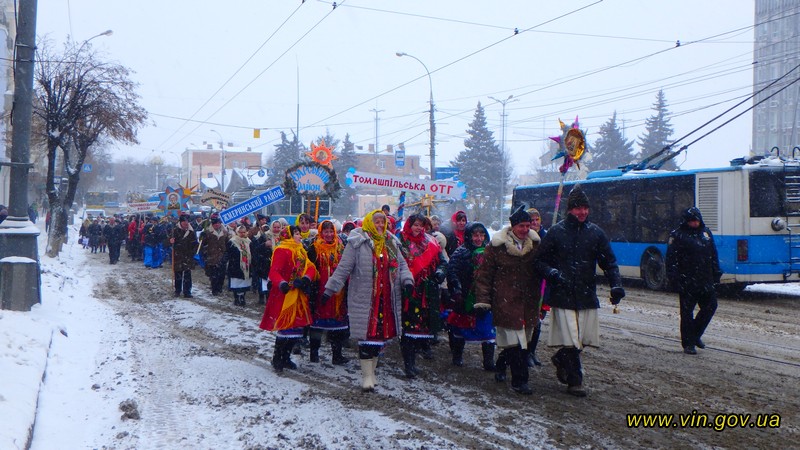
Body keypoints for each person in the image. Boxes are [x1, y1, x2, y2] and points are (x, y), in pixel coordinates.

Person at [535, 185, 625, 398]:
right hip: (563, 293)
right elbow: (539, 261)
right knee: (572, 340)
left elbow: (609, 262)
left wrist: (616, 284)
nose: (582, 212)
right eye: (578, 208)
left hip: (586, 294)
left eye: (585, 208)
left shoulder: (596, 233)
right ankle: (575, 381)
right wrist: (552, 273)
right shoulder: (556, 232)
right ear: (569, 210)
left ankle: (560, 357)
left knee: (582, 339)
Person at [322, 210, 414, 392]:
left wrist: (407, 280)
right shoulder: (358, 242)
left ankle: (372, 373)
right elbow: (344, 268)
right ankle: (366, 376)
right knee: (366, 336)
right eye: (376, 222)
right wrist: (330, 289)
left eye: (382, 222)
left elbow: (402, 265)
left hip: (387, 298)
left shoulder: (391, 243)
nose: (380, 225)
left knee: (379, 337)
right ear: (369, 223)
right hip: (365, 298)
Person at [474, 206, 541, 395]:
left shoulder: (535, 245)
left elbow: (542, 267)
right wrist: (483, 300)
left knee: (522, 342)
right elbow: (485, 275)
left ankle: (502, 363)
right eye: (522, 226)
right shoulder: (497, 247)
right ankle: (520, 381)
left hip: (527, 302)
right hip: (505, 300)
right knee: (515, 344)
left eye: (528, 225)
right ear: (513, 227)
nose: (525, 229)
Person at [666, 206, 722, 355]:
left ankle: (695, 335)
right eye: (692, 221)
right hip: (687, 281)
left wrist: (716, 272)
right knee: (686, 313)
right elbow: (671, 260)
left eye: (697, 221)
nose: (695, 224)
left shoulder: (706, 233)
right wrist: (675, 279)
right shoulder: (677, 235)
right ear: (686, 222)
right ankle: (688, 343)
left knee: (711, 307)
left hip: (705, 280)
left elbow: (713, 254)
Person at [396, 213, 447, 378]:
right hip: (408, 291)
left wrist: (440, 272)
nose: (419, 228)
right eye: (416, 224)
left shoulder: (431, 242)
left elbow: (443, 262)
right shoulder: (400, 241)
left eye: (421, 225)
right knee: (409, 328)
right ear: (409, 225)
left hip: (427, 291)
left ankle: (414, 361)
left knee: (422, 328)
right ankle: (408, 364)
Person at [259, 226, 316, 372]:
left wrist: (305, 279)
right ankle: (277, 358)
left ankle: (286, 357)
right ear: (289, 236)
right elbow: (274, 271)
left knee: (295, 328)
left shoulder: (300, 250)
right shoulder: (281, 249)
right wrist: (282, 283)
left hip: (298, 294)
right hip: (284, 295)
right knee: (285, 327)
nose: (299, 236)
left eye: (298, 233)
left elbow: (310, 267)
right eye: (296, 234)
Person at [445, 221, 496, 371]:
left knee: (487, 330)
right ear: (469, 236)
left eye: (481, 235)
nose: (479, 238)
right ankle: (457, 356)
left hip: (484, 297)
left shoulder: (489, 252)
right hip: (465, 296)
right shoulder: (460, 252)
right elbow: (452, 272)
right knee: (460, 329)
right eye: (475, 235)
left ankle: (488, 361)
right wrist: (457, 290)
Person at [306, 220, 350, 365]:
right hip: (319, 292)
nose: (329, 234)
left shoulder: (341, 247)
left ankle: (337, 355)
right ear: (321, 232)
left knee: (337, 325)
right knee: (317, 324)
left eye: (331, 231)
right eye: (326, 232)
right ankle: (314, 352)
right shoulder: (314, 248)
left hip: (338, 293)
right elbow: (309, 268)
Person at [527, 207, 548, 367]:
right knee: (527, 321)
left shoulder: (545, 236)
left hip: (542, 282)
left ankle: (532, 350)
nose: (535, 223)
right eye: (532, 220)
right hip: (528, 282)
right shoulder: (524, 236)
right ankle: (525, 351)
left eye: (537, 220)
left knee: (538, 320)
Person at [199, 213, 230, 296]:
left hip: (222, 256)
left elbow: (227, 243)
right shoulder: (208, 232)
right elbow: (202, 244)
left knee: (221, 274)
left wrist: (226, 254)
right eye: (215, 223)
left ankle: (220, 287)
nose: (217, 225)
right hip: (211, 256)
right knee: (213, 275)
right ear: (212, 224)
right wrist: (202, 237)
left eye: (218, 223)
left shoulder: (225, 232)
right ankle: (214, 289)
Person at [225, 225, 253, 306]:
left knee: (244, 282)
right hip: (236, 265)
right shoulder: (232, 242)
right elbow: (229, 253)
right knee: (236, 283)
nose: (242, 234)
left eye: (244, 232)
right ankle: (236, 298)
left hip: (246, 265)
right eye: (240, 232)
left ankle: (243, 297)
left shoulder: (248, 241)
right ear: (237, 232)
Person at [171, 215, 198, 298]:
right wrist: (170, 241)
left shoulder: (191, 232)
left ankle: (187, 291)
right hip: (178, 255)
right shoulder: (174, 231)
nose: (186, 223)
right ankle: (177, 290)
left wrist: (193, 252)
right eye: (184, 222)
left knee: (187, 274)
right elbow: (166, 243)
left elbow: (195, 244)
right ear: (180, 222)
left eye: (187, 221)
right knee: (178, 274)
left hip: (188, 256)